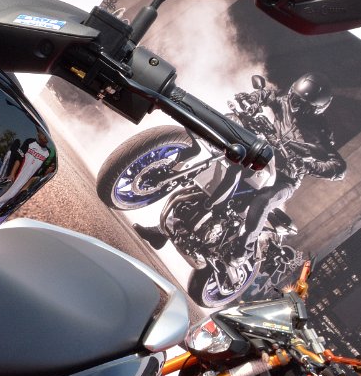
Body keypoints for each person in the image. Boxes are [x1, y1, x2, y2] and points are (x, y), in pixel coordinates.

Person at [135, 73, 345, 254]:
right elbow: (265, 95)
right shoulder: (284, 101)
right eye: (294, 98)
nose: (294, 105)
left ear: (315, 110)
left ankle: (244, 250)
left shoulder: (321, 132)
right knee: (222, 164)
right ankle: (163, 229)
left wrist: (308, 166)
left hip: (284, 178)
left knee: (263, 201)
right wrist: (250, 100)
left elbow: (338, 167)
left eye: (301, 104)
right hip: (262, 157)